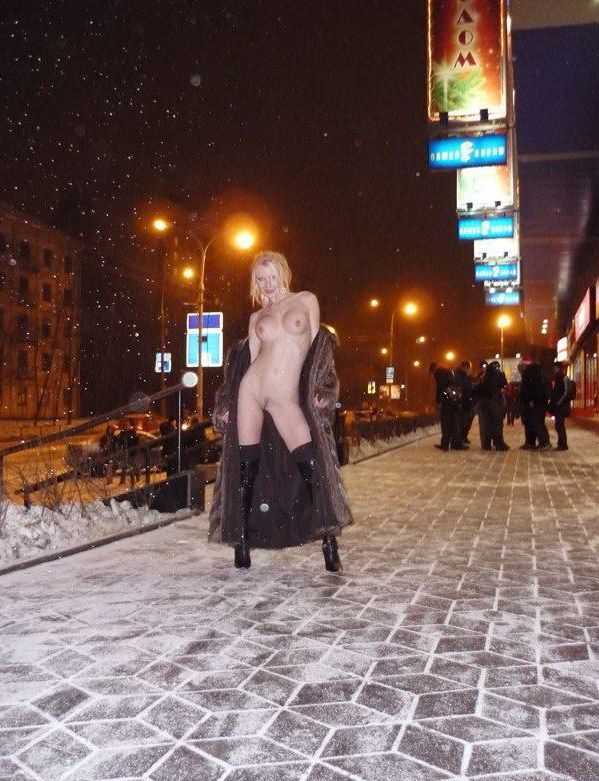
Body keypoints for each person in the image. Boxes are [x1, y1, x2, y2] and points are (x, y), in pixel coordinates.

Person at [209, 250, 352, 571]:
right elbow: (245, 362)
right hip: (251, 391)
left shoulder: (306, 300)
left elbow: (319, 351)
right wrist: (228, 402)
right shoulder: (256, 318)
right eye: (261, 279)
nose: (268, 284)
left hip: (284, 398)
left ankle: (329, 542)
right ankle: (241, 541)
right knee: (246, 469)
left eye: (272, 277)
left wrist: (323, 387)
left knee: (311, 466)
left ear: (284, 274)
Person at [428, 362, 464, 450]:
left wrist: (439, 401)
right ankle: (456, 444)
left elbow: (440, 389)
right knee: (454, 423)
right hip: (454, 401)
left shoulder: (439, 374)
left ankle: (445, 444)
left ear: (433, 370)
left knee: (446, 424)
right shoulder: (449, 372)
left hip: (447, 402)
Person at [475, 360, 509, 450]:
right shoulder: (497, 376)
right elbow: (504, 384)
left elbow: (479, 389)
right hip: (494, 402)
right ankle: (498, 443)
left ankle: (486, 444)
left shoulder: (485, 377)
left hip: (484, 402)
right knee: (497, 423)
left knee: (486, 424)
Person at [519, 361, 551, 450]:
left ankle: (543, 442)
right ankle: (532, 442)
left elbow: (531, 389)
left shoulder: (531, 376)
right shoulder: (542, 375)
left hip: (533, 403)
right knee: (534, 422)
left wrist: (531, 400)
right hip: (540, 402)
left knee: (535, 422)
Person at [548, 362, 571, 451]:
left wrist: (559, 402)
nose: (554, 370)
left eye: (555, 368)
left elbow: (566, 392)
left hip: (562, 406)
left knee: (560, 425)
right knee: (558, 425)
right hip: (559, 406)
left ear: (559, 368)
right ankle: (561, 443)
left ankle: (563, 444)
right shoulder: (558, 378)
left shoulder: (564, 378)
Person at [454, 360, 474, 445]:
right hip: (462, 402)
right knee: (461, 423)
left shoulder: (466, 376)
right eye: (467, 368)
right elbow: (461, 388)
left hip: (466, 402)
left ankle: (462, 438)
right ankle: (458, 441)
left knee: (466, 422)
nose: (468, 370)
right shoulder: (459, 376)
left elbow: (469, 387)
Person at [117, 418, 141, 485]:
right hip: (125, 451)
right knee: (125, 466)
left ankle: (134, 478)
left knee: (132, 465)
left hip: (132, 451)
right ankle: (123, 480)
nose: (127, 426)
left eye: (128, 424)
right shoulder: (123, 433)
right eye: (125, 425)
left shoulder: (132, 431)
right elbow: (120, 442)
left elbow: (135, 441)